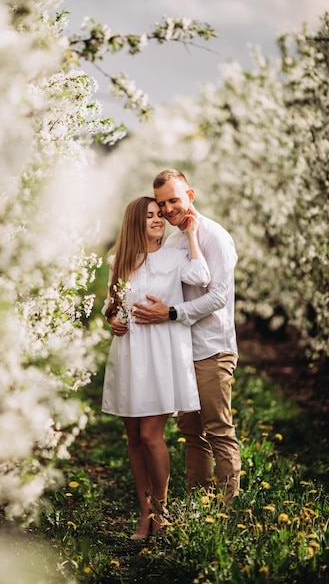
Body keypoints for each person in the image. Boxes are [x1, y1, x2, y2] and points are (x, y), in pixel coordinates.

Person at [130, 170, 241, 504]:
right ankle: (199, 505)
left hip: (212, 348)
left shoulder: (215, 237)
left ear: (190, 195)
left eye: (173, 200)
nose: (166, 209)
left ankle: (226, 511)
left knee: (218, 430)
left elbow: (218, 294)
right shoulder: (175, 239)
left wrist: (172, 313)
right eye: (161, 203)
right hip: (180, 349)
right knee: (192, 433)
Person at [102, 196, 210, 540]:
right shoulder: (119, 260)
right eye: (149, 216)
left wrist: (192, 235)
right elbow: (111, 302)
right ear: (135, 222)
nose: (157, 219)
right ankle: (144, 514)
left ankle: (162, 511)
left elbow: (202, 276)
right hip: (130, 352)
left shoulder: (176, 256)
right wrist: (113, 319)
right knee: (133, 437)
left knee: (150, 435)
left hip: (162, 353)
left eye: (158, 214)